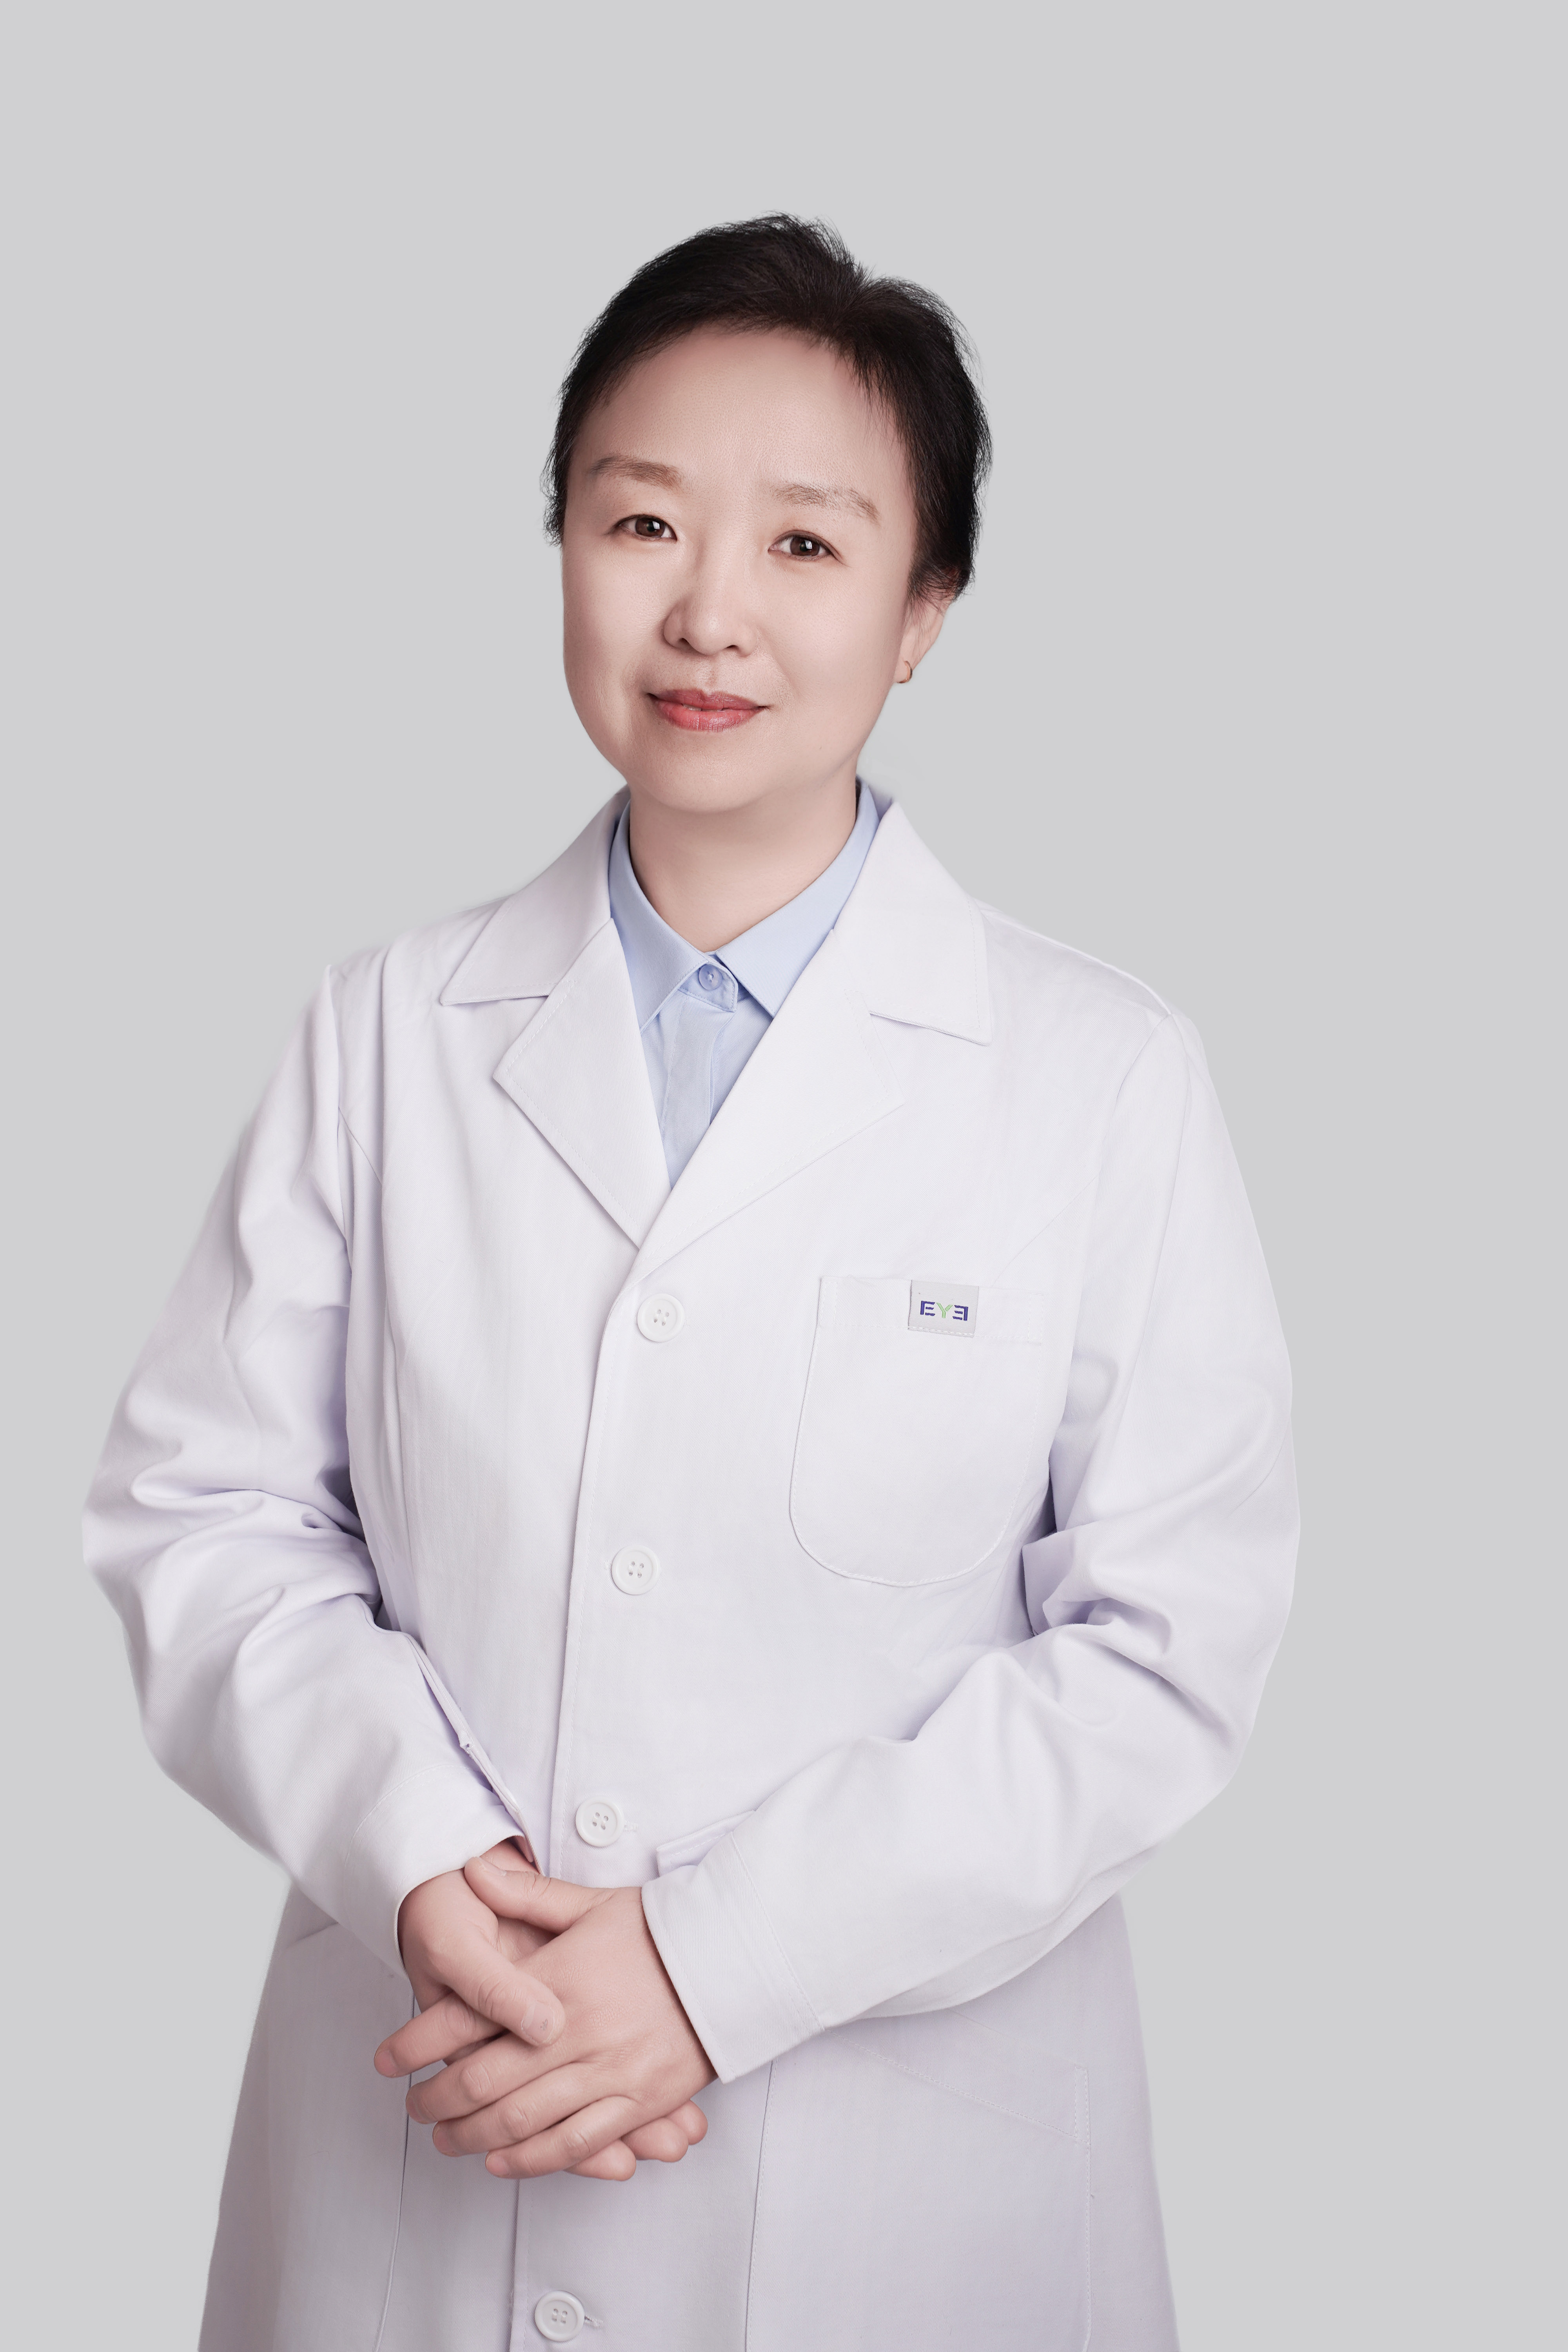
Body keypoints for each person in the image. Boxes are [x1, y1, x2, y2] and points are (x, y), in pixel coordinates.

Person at [87, 216, 1298, 2351]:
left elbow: (1163, 1654)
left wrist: (710, 1968)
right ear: (560, 542)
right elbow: (208, 1516)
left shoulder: (1101, 1079)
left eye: (807, 545)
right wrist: (421, 1856)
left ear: (925, 613)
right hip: (424, 2117)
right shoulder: (388, 1035)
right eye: (640, 519)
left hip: (904, 2202)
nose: (707, 610)